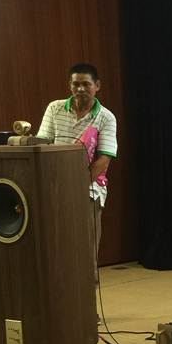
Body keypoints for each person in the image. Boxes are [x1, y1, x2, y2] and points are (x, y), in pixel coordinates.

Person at [36, 63, 118, 281]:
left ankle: (88, 291)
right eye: (76, 84)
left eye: (86, 84)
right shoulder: (55, 108)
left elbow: (104, 159)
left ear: (97, 86)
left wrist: (76, 184)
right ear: (69, 85)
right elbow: (42, 144)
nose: (80, 89)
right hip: (55, 184)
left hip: (89, 187)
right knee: (55, 241)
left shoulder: (106, 117)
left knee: (86, 243)